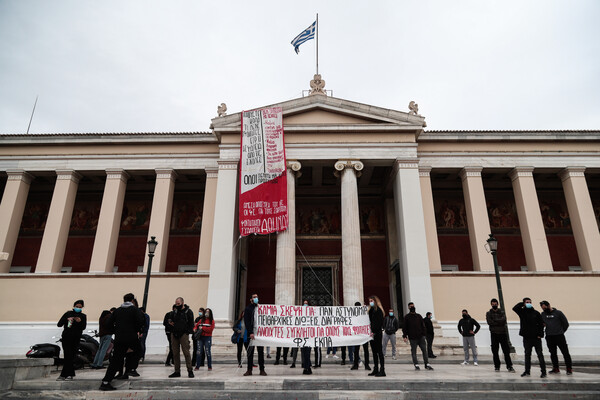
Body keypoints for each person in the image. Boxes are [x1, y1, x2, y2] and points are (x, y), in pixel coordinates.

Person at [99, 293, 145, 391]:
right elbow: (140, 322)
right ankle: (131, 369)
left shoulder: (117, 311)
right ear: (132, 300)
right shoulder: (135, 310)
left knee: (116, 360)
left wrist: (115, 330)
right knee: (138, 351)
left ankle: (106, 382)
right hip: (131, 337)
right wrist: (137, 330)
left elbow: (108, 323)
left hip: (119, 339)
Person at [513, 298, 547, 378]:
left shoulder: (536, 313)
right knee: (527, 355)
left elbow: (541, 324)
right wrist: (522, 304)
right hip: (527, 337)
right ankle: (527, 371)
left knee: (540, 354)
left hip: (536, 337)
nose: (529, 303)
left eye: (530, 302)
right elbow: (514, 308)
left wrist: (540, 335)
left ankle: (543, 372)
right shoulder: (522, 312)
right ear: (524, 303)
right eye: (527, 302)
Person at [56, 300, 87, 380]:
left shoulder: (83, 316)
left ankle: (67, 374)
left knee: (71, 356)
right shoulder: (68, 313)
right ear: (74, 306)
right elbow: (59, 324)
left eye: (80, 307)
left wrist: (79, 322)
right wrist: (67, 319)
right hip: (66, 337)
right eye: (77, 307)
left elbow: (83, 327)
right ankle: (66, 374)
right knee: (67, 355)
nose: (78, 308)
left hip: (76, 338)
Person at [540, 300, 572, 375]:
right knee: (553, 353)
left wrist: (560, 331)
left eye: (545, 307)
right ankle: (556, 368)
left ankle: (569, 368)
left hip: (559, 336)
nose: (544, 309)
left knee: (565, 353)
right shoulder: (543, 314)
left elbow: (566, 324)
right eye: (543, 308)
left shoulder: (558, 313)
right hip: (549, 336)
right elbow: (542, 323)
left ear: (549, 305)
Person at [168, 297, 195, 378]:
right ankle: (177, 371)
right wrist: (170, 323)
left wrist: (187, 332)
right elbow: (169, 320)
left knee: (186, 353)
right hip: (174, 334)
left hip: (184, 334)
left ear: (183, 303)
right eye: (176, 304)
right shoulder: (174, 312)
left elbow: (191, 323)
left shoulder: (188, 312)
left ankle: (190, 370)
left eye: (178, 304)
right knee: (175, 353)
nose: (177, 305)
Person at [402, 302, 433, 371]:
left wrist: (424, 334)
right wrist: (404, 336)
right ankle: (416, 364)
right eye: (410, 306)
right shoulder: (406, 317)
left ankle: (427, 364)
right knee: (414, 352)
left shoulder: (419, 316)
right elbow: (405, 327)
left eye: (413, 306)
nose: (412, 307)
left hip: (421, 337)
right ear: (408, 308)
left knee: (424, 351)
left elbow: (423, 326)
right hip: (412, 338)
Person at [486, 298, 514, 372]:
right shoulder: (489, 313)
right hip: (494, 334)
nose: (494, 305)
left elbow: (503, 320)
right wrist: (498, 321)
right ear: (491, 304)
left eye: (495, 304)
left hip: (502, 334)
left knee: (506, 351)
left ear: (497, 304)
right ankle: (497, 366)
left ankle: (509, 366)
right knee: (495, 352)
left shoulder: (502, 312)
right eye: (493, 304)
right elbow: (490, 322)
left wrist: (495, 321)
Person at [243, 293, 267, 376]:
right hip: (252, 333)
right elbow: (247, 322)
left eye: (256, 297)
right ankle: (249, 369)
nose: (256, 298)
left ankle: (262, 369)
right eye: (254, 297)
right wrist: (250, 332)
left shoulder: (261, 308)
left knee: (261, 352)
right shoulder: (248, 309)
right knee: (250, 353)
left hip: (260, 333)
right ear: (251, 299)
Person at [368, 295, 385, 377]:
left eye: (371, 300)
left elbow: (378, 323)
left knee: (379, 352)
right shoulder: (371, 310)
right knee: (374, 352)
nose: (370, 302)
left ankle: (382, 370)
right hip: (372, 334)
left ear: (375, 301)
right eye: (369, 301)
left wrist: (373, 331)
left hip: (377, 333)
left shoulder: (379, 311)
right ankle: (375, 368)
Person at [351, 301, 371, 371]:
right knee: (356, 351)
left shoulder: (365, 314)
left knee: (365, 350)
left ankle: (366, 364)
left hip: (364, 334)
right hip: (357, 335)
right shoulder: (354, 315)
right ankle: (356, 364)